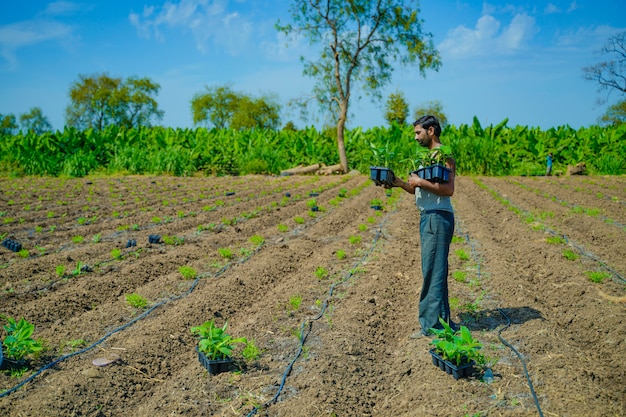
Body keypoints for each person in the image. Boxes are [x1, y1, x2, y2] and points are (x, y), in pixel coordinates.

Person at [386, 115, 458, 337]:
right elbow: (418, 189)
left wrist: (420, 181)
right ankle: (443, 323)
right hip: (429, 216)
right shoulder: (425, 157)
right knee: (436, 270)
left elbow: (448, 189)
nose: (415, 137)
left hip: (437, 216)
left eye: (418, 132)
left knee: (432, 272)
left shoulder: (444, 155)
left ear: (431, 131)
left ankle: (431, 326)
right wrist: (398, 182)